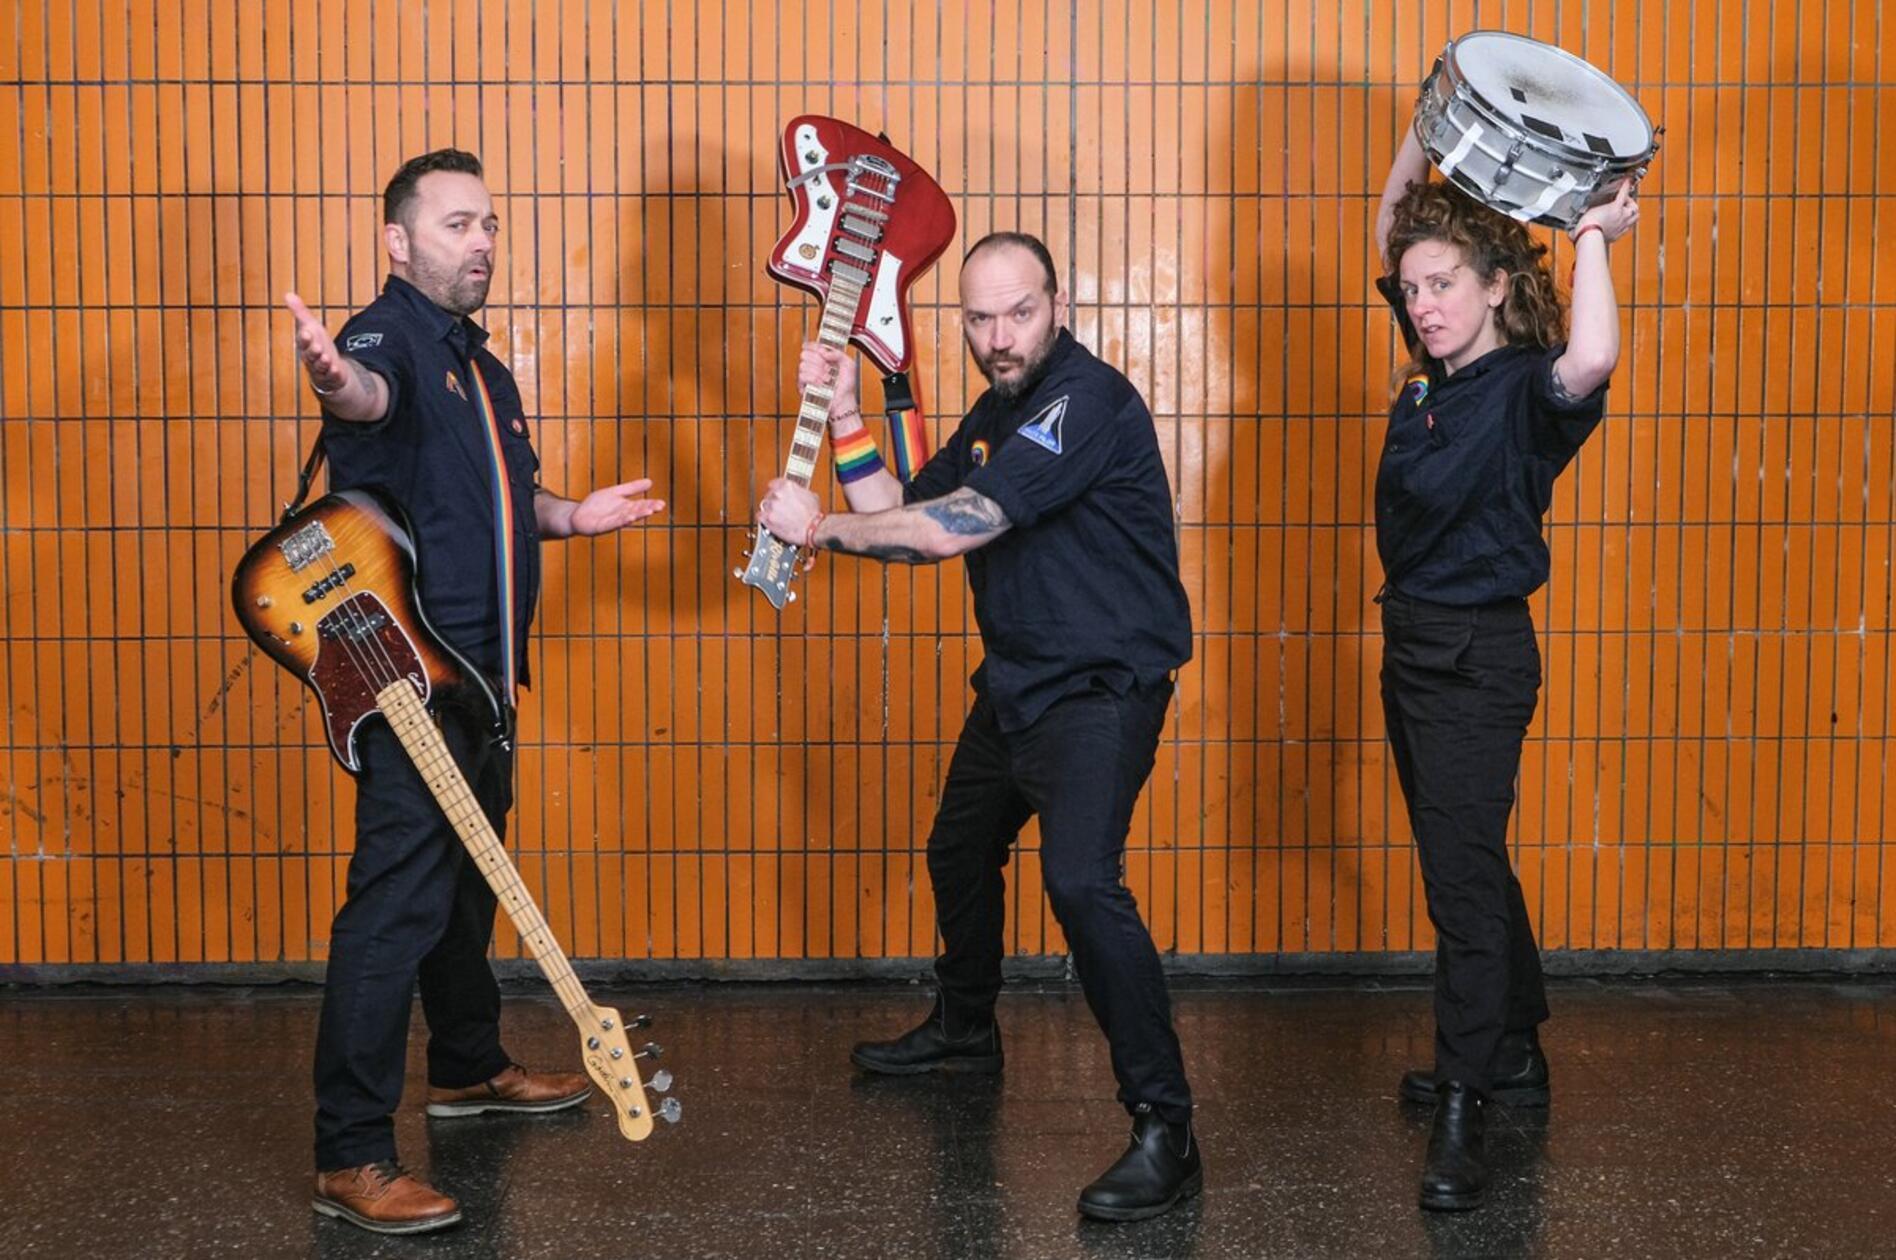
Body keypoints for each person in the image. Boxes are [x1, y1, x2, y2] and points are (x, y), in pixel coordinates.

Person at [757, 232, 1201, 1223]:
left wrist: (815, 529)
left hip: (1101, 690)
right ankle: (966, 1028)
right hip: (1019, 686)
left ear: (1058, 306)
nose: (999, 336)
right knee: (958, 847)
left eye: (1019, 312)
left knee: (1081, 883)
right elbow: (903, 510)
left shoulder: (1081, 403)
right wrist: (845, 417)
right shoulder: (1000, 413)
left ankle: (1166, 1128)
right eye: (981, 318)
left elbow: (949, 530)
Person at [284, 148, 665, 1235]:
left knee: (462, 883)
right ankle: (351, 1155)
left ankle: (465, 1067)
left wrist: (572, 516)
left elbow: (500, 499)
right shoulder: (383, 338)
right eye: (457, 224)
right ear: (399, 242)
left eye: (489, 223)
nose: (482, 241)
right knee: (395, 903)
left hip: (484, 678)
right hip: (407, 679)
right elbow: (363, 400)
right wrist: (332, 380)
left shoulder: (483, 370)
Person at [1371, 126, 1638, 1210]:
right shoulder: (1430, 378)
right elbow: (1394, 226)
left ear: (1492, 286)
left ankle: (1464, 1107)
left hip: (1477, 659)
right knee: (1470, 860)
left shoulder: (1527, 388)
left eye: (1443, 285)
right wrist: (1429, 123)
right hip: (1411, 646)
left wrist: (1592, 237)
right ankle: (1514, 1046)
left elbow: (1594, 358)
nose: (1422, 302)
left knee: (1461, 884)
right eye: (1412, 289)